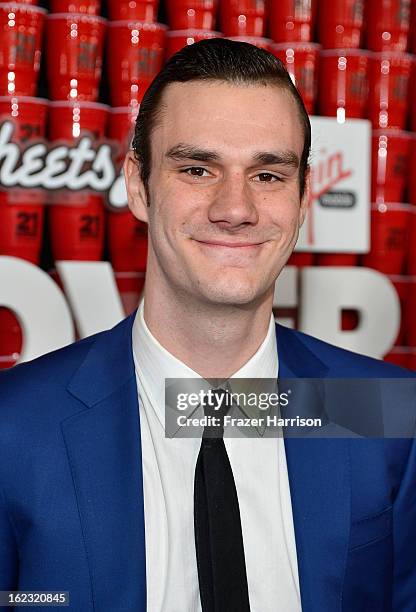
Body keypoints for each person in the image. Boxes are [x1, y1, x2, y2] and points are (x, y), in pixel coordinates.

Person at [0, 39, 415, 612]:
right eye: (198, 168)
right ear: (140, 186)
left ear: (302, 201)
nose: (236, 207)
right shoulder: (12, 426)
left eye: (268, 175)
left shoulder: (385, 411)